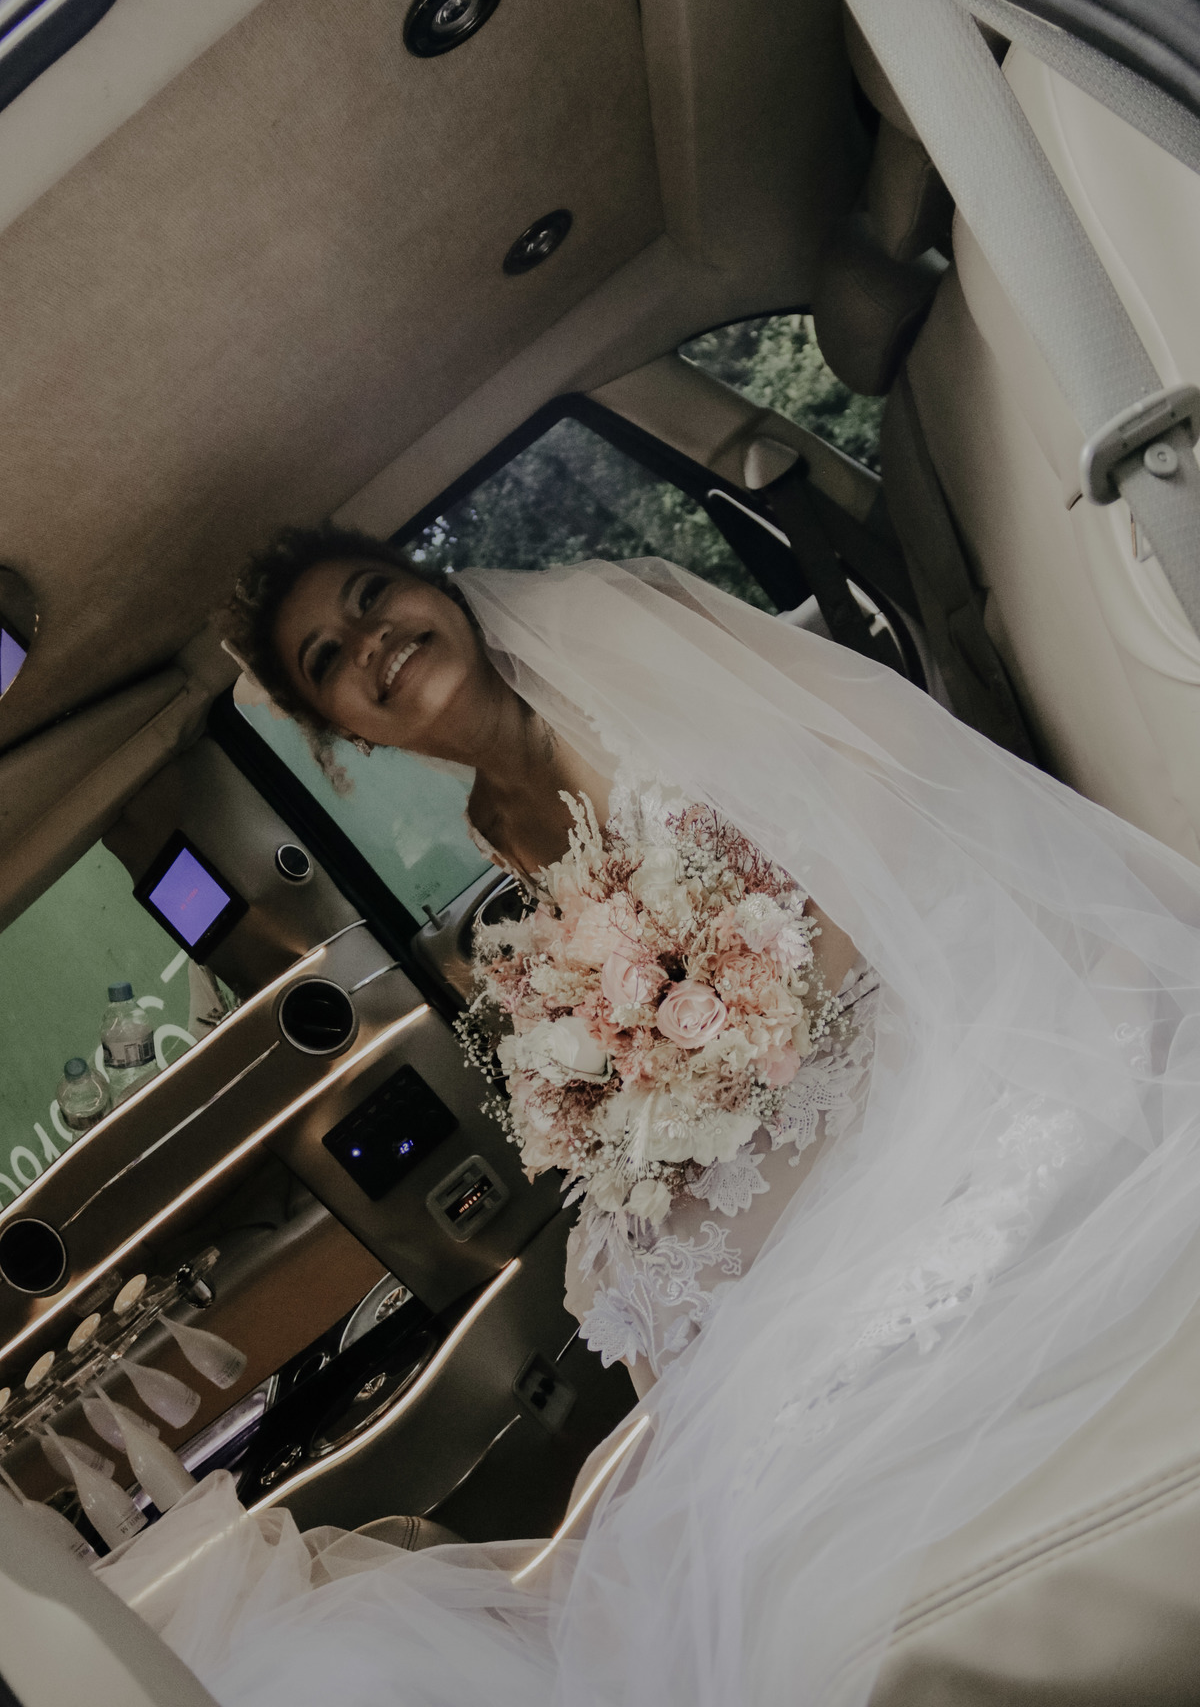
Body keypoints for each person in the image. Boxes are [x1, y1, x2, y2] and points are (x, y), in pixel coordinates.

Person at [100, 525, 1200, 1707]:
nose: (372, 642)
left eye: (374, 596)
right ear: (344, 730)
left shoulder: (601, 637)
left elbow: (863, 787)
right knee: (627, 1277)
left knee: (743, 1357)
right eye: (328, 657)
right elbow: (639, 965)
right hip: (765, 1052)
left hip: (898, 994)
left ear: (436, 589)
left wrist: (742, 1025)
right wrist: (646, 1094)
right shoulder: (492, 818)